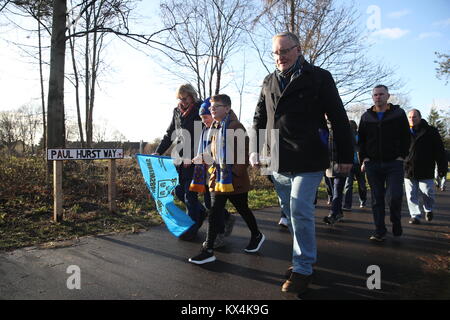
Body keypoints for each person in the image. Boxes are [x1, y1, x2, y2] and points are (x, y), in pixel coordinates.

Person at [250, 32, 353, 294]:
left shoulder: (319, 77)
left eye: (284, 51)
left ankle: (303, 267)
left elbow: (339, 118)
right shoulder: (268, 80)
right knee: (290, 212)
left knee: (299, 209)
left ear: (298, 50)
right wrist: (254, 150)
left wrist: (344, 157)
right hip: (277, 159)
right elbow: (259, 119)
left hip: (309, 157)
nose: (279, 57)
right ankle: (301, 258)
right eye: (275, 52)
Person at [188, 94, 265, 265]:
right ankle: (208, 250)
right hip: (219, 180)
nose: (212, 109)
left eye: (216, 106)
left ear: (227, 109)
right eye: (211, 107)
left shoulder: (235, 126)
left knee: (243, 209)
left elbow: (245, 153)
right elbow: (215, 152)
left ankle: (257, 234)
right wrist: (202, 156)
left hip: (233, 180)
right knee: (214, 212)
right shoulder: (217, 126)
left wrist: (234, 173)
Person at [153, 84, 207, 241]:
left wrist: (195, 156)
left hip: (194, 159)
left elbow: (203, 136)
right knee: (178, 191)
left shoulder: (201, 109)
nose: (182, 102)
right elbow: (170, 133)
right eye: (180, 99)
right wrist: (158, 151)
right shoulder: (176, 111)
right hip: (179, 158)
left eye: (185, 98)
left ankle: (192, 228)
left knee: (190, 194)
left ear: (192, 96)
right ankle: (202, 212)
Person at [358, 85, 410, 242]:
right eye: (375, 95)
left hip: (394, 163)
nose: (378, 97)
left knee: (395, 196)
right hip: (372, 164)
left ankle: (396, 221)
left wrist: (402, 156)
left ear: (388, 96)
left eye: (381, 94)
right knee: (377, 199)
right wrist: (364, 158)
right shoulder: (366, 117)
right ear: (372, 97)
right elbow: (361, 140)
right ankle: (379, 230)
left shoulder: (398, 114)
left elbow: (406, 136)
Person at [190, 98, 236, 247]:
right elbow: (203, 150)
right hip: (206, 173)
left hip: (218, 174)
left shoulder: (220, 129)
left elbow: (218, 153)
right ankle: (227, 218)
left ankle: (218, 234)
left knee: (213, 207)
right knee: (211, 205)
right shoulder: (204, 131)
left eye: (205, 117)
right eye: (202, 118)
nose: (203, 121)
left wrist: (205, 158)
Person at [404, 109, 448, 224]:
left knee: (428, 193)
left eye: (414, 117)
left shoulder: (430, 131)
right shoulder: (403, 131)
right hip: (408, 169)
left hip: (426, 169)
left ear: (420, 117)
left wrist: (442, 168)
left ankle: (428, 209)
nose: (412, 119)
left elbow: (439, 151)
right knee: (411, 195)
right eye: (409, 117)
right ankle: (415, 216)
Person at [323, 116, 352, 224]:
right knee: (332, 190)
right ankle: (338, 213)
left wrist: (347, 160)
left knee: (337, 190)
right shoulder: (322, 126)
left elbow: (350, 143)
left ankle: (333, 214)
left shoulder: (343, 125)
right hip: (328, 165)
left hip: (341, 164)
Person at [342, 120, 368, 210]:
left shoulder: (360, 137)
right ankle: (347, 205)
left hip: (359, 163)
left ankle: (363, 200)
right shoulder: (346, 137)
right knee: (348, 184)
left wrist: (364, 162)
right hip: (349, 164)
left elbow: (364, 150)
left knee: (362, 184)